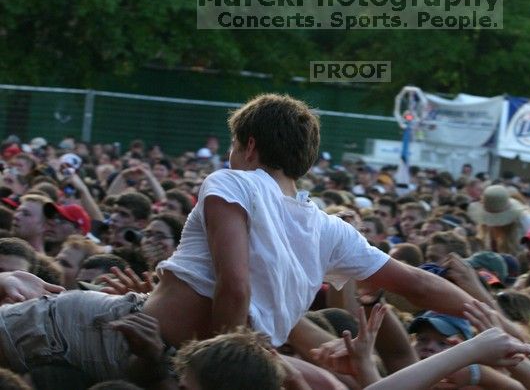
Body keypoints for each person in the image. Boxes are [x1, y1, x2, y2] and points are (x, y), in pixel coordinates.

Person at [0, 93, 478, 381]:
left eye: (233, 145)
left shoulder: (234, 182)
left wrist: (218, 370)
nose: (229, 156)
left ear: (249, 147)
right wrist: (490, 314)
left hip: (132, 344)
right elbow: (419, 284)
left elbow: (235, 285)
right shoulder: (330, 229)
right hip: (112, 333)